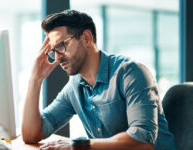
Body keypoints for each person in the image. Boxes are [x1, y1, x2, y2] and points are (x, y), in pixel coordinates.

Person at [22, 10, 176, 150]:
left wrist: (76, 146)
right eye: (53, 51)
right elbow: (32, 135)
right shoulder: (75, 87)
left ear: (87, 38)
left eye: (61, 45)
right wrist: (35, 79)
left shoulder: (131, 73)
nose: (57, 57)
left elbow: (142, 141)